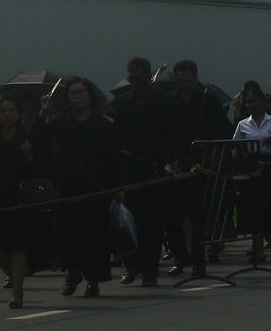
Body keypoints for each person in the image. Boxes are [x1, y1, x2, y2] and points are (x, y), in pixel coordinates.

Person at [34, 77, 118, 297]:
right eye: (73, 93)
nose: (77, 97)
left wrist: (116, 187)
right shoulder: (62, 123)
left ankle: (93, 281)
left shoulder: (102, 124)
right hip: (68, 188)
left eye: (81, 92)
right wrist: (43, 112)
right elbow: (37, 137)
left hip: (96, 188)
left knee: (95, 237)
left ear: (89, 96)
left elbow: (112, 158)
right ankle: (72, 272)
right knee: (64, 235)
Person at [0, 94, 48, 309]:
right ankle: (16, 279)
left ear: (18, 114)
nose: (7, 115)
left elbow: (37, 170)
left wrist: (29, 155)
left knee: (16, 246)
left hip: (20, 194)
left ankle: (16, 292)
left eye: (11, 110)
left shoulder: (25, 136)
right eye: (3, 111)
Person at [109, 56, 176, 287]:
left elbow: (170, 136)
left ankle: (151, 269)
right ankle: (132, 265)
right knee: (129, 220)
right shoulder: (121, 104)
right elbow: (115, 140)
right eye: (132, 79)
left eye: (140, 78)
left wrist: (167, 163)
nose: (136, 83)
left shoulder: (163, 102)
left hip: (154, 166)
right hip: (129, 167)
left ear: (149, 77)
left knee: (153, 221)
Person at [165, 60, 232, 275]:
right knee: (176, 212)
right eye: (179, 81)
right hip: (178, 162)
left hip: (203, 163)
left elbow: (224, 129)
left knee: (198, 213)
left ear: (195, 78)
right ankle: (180, 255)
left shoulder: (207, 100)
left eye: (187, 80)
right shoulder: (170, 102)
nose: (183, 84)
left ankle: (198, 258)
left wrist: (208, 148)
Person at [232, 81, 271, 264]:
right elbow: (238, 146)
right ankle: (258, 250)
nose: (251, 105)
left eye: (254, 101)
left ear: (262, 102)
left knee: (270, 206)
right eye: (248, 102)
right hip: (251, 166)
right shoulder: (243, 125)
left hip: (269, 166)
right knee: (252, 209)